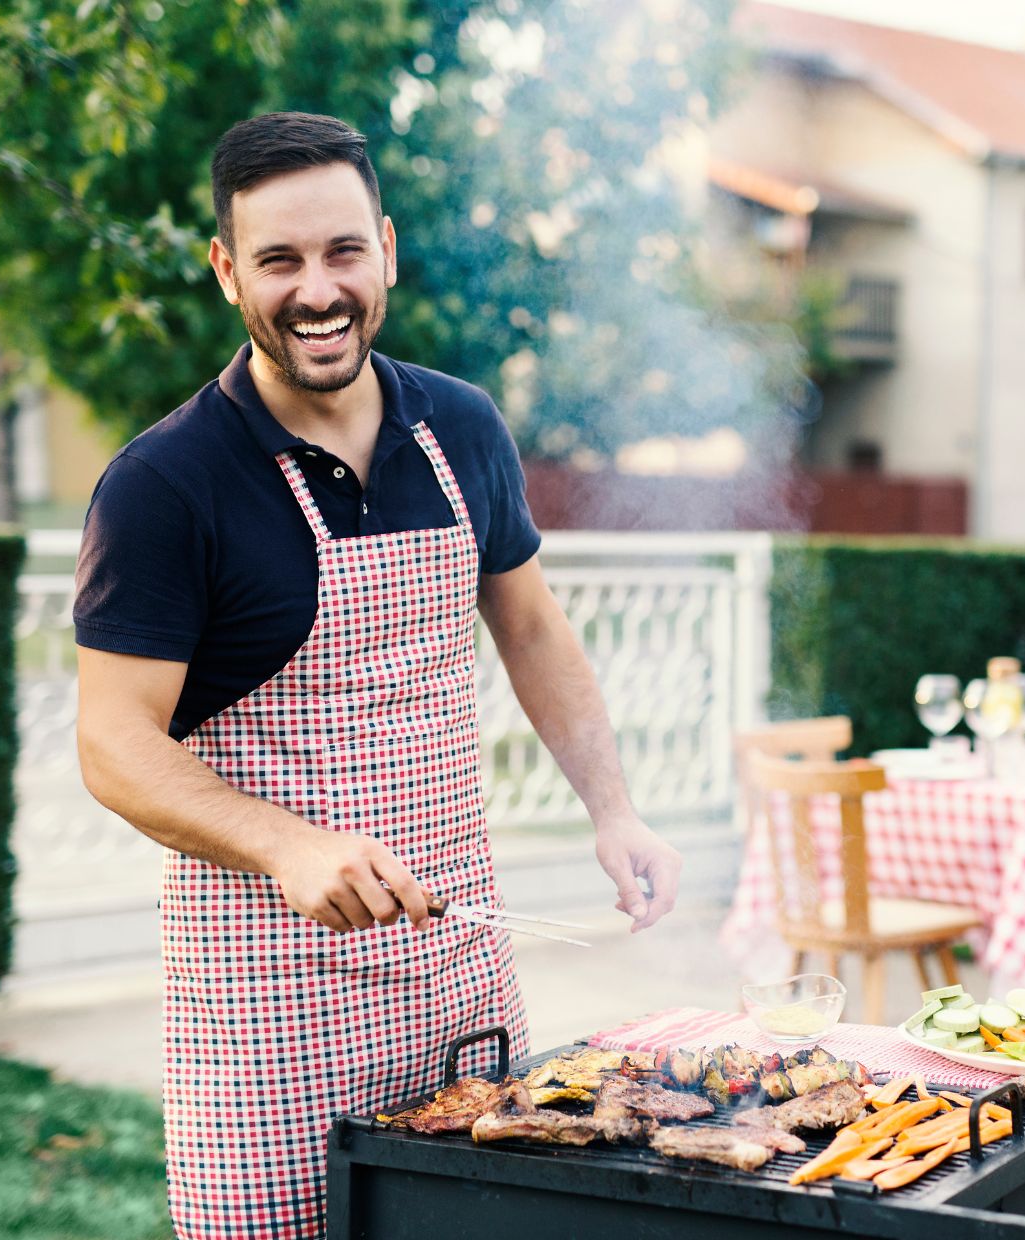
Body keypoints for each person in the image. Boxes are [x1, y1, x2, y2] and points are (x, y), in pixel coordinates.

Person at [73, 111, 682, 1240]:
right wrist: (287, 845)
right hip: (265, 1003)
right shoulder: (165, 483)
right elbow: (113, 744)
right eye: (280, 259)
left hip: (457, 967)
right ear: (225, 271)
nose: (318, 290)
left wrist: (615, 809)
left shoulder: (460, 425)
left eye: (343, 250)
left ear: (387, 250)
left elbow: (534, 628)